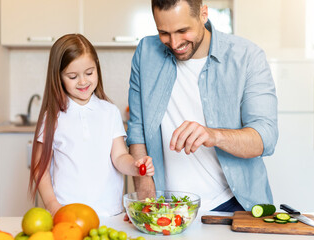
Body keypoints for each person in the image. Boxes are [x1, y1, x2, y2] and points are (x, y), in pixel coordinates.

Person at [126, 0, 278, 212]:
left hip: (234, 205)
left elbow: (265, 138)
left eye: (182, 30)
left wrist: (213, 135)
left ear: (203, 14)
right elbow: (137, 130)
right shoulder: (146, 52)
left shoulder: (247, 57)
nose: (174, 42)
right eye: (164, 33)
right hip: (167, 207)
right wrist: (146, 200)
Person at [29, 34, 154, 217]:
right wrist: (52, 205)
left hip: (110, 213)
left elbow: (119, 157)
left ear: (97, 67)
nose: (83, 82)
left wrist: (135, 166)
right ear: (59, 77)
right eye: (72, 76)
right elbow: (40, 168)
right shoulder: (52, 117)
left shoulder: (110, 112)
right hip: (68, 214)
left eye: (89, 73)